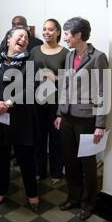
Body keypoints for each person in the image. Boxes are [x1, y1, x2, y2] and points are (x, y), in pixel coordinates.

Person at [0, 25, 40, 212]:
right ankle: (1, 191)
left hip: (21, 119)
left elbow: (30, 89)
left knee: (26, 160)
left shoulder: (31, 63)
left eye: (27, 38)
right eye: (20, 36)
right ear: (8, 39)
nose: (24, 40)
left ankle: (32, 195)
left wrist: (7, 103)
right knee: (1, 158)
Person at [54, 17, 109, 221]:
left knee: (87, 163)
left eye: (67, 34)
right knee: (70, 160)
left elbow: (104, 92)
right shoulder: (69, 56)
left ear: (78, 35)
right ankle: (74, 197)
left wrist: (100, 125)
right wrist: (60, 113)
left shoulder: (98, 57)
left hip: (87, 118)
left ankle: (89, 202)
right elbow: (65, 86)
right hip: (67, 117)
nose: (65, 37)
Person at [30, 19, 68, 184]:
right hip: (37, 101)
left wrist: (56, 77)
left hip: (56, 102)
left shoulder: (65, 53)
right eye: (44, 29)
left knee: (56, 138)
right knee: (38, 137)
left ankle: (56, 172)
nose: (46, 32)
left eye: (51, 29)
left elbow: (71, 78)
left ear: (58, 32)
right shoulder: (35, 51)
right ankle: (39, 170)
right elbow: (28, 74)